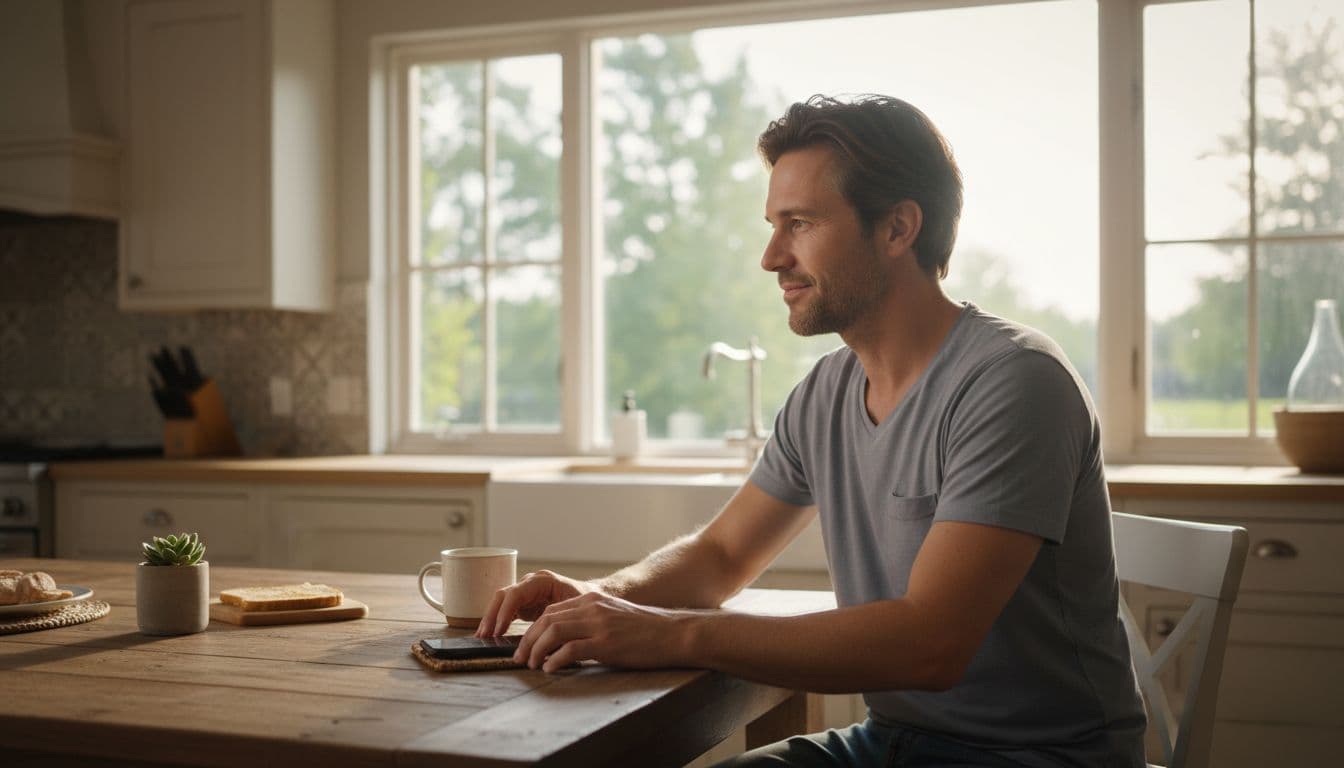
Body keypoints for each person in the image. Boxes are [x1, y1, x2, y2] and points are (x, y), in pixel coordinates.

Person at [477, 94, 1146, 768]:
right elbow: (719, 557)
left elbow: (930, 644)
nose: (771, 257)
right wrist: (600, 601)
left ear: (897, 229)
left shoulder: (1014, 381)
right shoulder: (825, 391)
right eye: (773, 225)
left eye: (798, 224)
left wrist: (673, 635)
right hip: (887, 746)